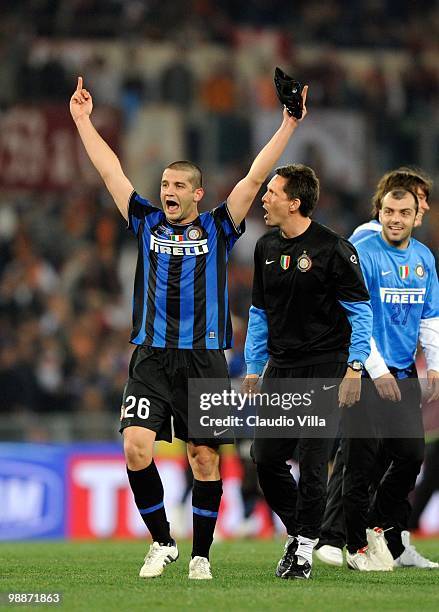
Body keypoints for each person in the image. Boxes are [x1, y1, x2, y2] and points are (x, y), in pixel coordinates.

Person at [69, 76, 308, 580]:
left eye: (178, 186)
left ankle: (201, 554)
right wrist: (82, 121)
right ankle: (161, 543)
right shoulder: (146, 222)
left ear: (197, 193)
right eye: (163, 186)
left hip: (205, 360)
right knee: (136, 447)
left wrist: (288, 123)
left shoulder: (220, 226)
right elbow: (110, 170)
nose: (167, 192)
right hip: (150, 357)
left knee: (204, 459)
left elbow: (253, 177)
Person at [242, 164, 372, 579]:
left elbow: (360, 314)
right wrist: (252, 365)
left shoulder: (334, 250)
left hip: (326, 367)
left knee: (313, 461)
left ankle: (301, 551)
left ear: (294, 203)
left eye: (272, 192)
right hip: (281, 367)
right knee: (265, 457)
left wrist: (354, 369)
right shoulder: (264, 247)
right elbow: (260, 313)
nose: (264, 198)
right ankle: (303, 533)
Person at [316, 167, 438, 569]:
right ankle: (347, 543)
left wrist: (433, 364)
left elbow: (429, 316)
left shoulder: (423, 257)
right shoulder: (363, 248)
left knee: (408, 456)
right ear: (381, 209)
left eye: (410, 208)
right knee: (358, 462)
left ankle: (381, 531)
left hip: (402, 374)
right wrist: (376, 369)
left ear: (418, 214)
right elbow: (353, 316)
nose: (402, 215)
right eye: (393, 209)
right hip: (365, 371)